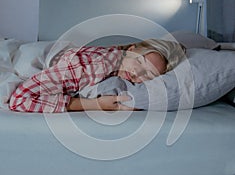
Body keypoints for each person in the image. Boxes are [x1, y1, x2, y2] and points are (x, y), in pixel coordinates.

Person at [9, 39, 185, 113]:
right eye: (139, 62)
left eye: (148, 74)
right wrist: (95, 105)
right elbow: (19, 100)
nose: (137, 73)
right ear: (130, 50)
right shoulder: (93, 67)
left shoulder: (115, 63)